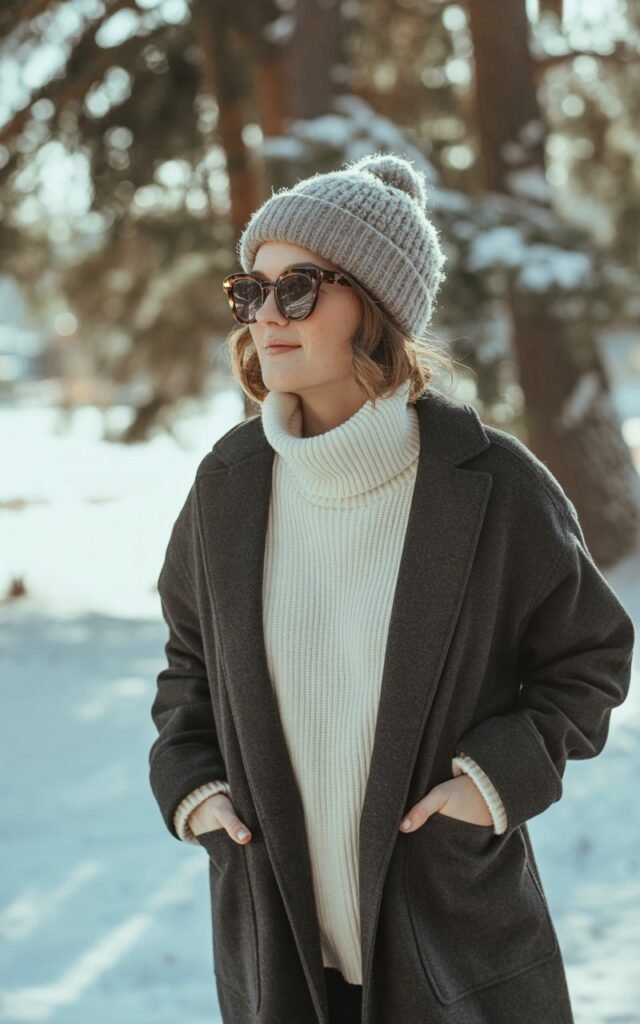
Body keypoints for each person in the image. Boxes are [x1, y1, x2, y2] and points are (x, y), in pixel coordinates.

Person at [148, 152, 635, 1024]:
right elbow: (189, 659)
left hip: (450, 937)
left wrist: (488, 788)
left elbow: (590, 654)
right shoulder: (226, 486)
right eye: (251, 291)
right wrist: (195, 792)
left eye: (299, 288)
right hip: (279, 938)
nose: (268, 314)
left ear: (373, 307)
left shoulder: (492, 484)